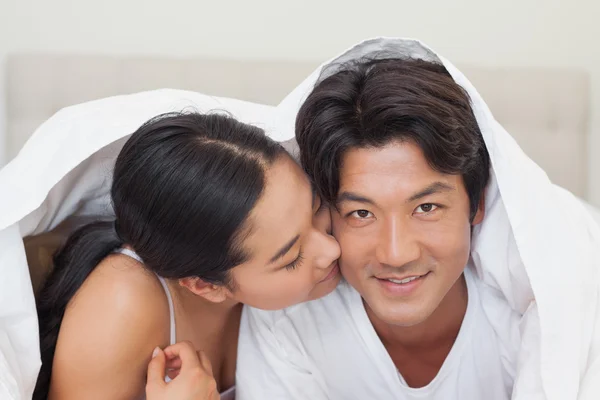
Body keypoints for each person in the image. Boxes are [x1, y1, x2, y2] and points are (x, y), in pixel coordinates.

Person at [236, 39, 600, 399]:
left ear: (477, 204)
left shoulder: (542, 318)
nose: (396, 254)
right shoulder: (288, 320)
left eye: (426, 208)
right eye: (361, 213)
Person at [34, 112, 341, 400]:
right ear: (205, 286)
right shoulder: (120, 307)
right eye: (293, 257)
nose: (332, 249)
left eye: (315, 209)